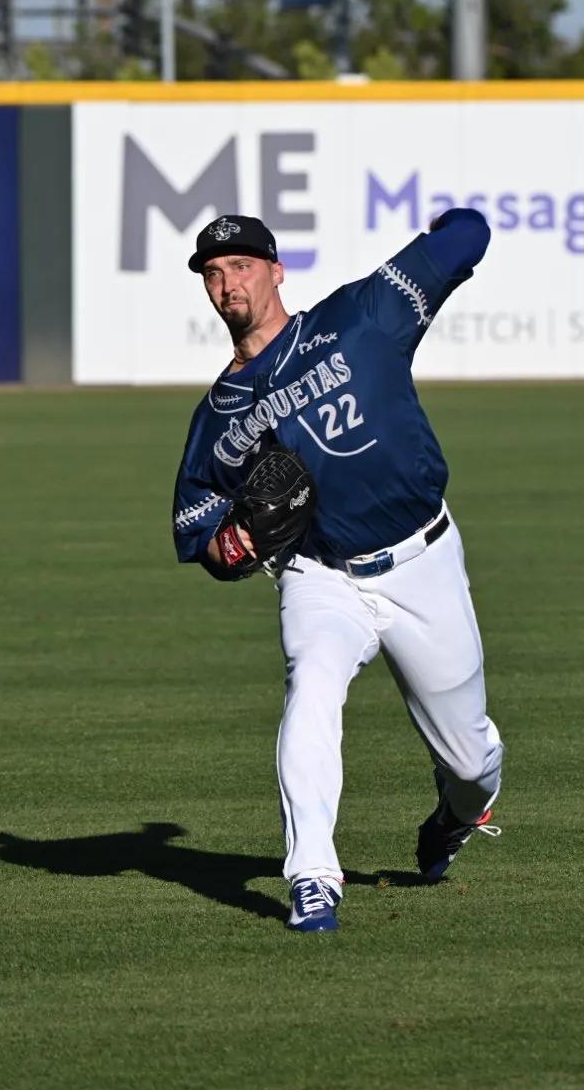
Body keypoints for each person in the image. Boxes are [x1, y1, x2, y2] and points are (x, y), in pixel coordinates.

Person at [171, 209, 504, 933]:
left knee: (473, 761)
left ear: (276, 269)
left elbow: (470, 233)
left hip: (423, 560)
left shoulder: (361, 315)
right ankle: (313, 879)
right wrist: (233, 546)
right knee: (311, 693)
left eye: (243, 265)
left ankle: (455, 815)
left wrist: (437, 235)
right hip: (321, 575)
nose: (229, 282)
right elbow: (195, 525)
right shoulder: (221, 418)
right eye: (214, 272)